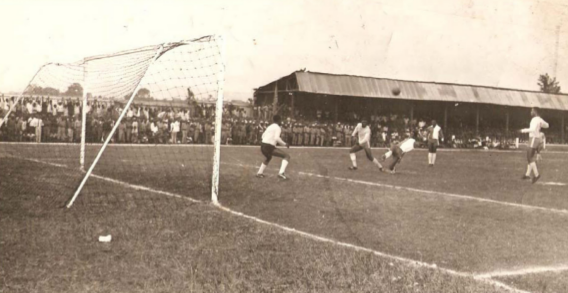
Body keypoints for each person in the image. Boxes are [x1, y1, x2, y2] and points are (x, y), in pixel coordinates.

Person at [256, 115, 291, 180]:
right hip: (268, 146)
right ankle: (281, 173)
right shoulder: (278, 127)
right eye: (281, 120)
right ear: (279, 120)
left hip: (263, 145)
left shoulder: (270, 126)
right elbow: (276, 138)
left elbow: (263, 136)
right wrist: (285, 144)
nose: (281, 122)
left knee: (268, 157)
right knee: (286, 156)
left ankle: (259, 173)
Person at [520, 107, 549, 184]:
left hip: (533, 138)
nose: (531, 112)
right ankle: (527, 174)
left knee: (529, 157)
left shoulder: (534, 119)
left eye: (532, 110)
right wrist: (539, 128)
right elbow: (547, 125)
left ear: (535, 112)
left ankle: (536, 175)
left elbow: (532, 129)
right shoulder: (539, 119)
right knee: (530, 156)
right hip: (536, 138)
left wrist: (523, 130)